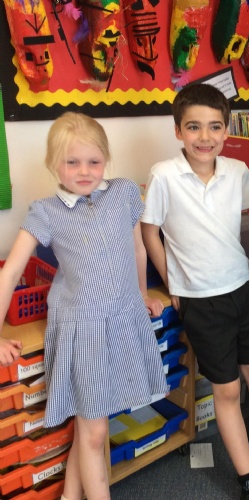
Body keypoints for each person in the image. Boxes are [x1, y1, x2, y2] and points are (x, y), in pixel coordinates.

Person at [141, 83, 249, 500]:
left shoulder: (236, 171)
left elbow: (245, 220)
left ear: (227, 130)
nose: (205, 136)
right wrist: (172, 283)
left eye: (215, 126)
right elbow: (149, 231)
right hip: (200, 299)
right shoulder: (163, 175)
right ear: (178, 130)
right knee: (227, 390)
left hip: (243, 288)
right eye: (193, 127)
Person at [0, 112, 168, 500]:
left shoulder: (124, 192)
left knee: (90, 425)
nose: (84, 171)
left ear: (106, 158)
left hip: (123, 318)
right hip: (83, 330)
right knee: (95, 431)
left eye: (94, 161)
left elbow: (137, 248)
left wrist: (142, 294)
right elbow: (10, 273)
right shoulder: (45, 211)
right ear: (53, 164)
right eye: (72, 162)